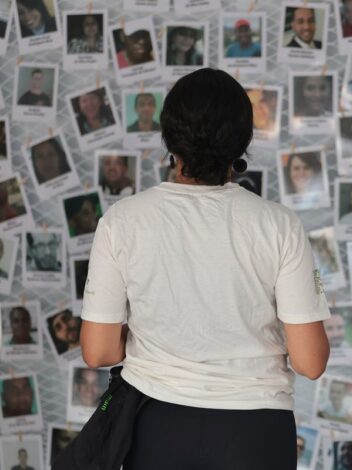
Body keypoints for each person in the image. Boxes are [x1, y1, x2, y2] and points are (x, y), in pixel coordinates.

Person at [78, 69, 330, 468]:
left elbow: (99, 351)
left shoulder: (122, 221)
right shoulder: (280, 225)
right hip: (256, 432)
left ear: (168, 137)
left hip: (156, 426)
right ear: (243, 140)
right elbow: (311, 362)